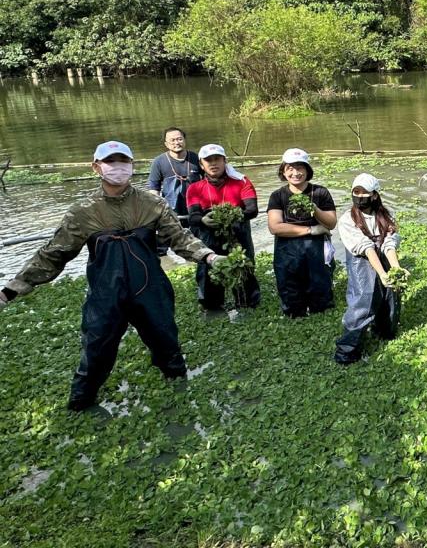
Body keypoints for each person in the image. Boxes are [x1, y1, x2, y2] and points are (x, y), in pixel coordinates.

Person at [0, 140, 223, 411]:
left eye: (123, 161)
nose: (118, 167)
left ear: (131, 166)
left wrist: (209, 257)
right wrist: (11, 289)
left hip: (150, 289)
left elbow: (180, 238)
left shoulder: (152, 203)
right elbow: (53, 255)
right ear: (96, 167)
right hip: (106, 294)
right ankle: (80, 404)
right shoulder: (83, 212)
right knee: (96, 349)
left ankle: (179, 389)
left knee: (166, 342)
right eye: (110, 162)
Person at [335, 174, 404, 365]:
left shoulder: (386, 215)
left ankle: (383, 331)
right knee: (363, 301)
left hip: (383, 257)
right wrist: (381, 273)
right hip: (362, 261)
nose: (359, 195)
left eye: (364, 192)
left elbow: (389, 243)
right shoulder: (348, 219)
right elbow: (366, 248)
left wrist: (395, 268)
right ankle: (347, 351)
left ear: (374, 194)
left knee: (389, 297)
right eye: (356, 191)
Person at [186, 144, 260, 310]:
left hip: (238, 232)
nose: (213, 163)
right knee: (208, 270)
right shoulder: (195, 188)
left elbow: (252, 210)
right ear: (201, 164)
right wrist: (204, 220)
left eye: (217, 159)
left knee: (242, 266)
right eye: (208, 160)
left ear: (225, 161)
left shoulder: (242, 182)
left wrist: (233, 216)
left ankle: (247, 304)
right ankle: (212, 307)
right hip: (209, 234)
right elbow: (193, 216)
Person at [266, 148, 338, 318]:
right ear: (283, 171)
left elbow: (331, 223)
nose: (295, 173)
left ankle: (320, 313)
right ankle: (295, 314)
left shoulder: (320, 192)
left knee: (320, 287)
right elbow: (275, 227)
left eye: (300, 168)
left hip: (316, 247)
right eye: (290, 168)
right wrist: (311, 230)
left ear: (307, 170)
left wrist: (315, 209)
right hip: (287, 247)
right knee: (290, 287)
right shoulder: (277, 196)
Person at [146, 127, 202, 255]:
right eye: (172, 140)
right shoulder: (159, 162)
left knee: (198, 243)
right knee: (161, 248)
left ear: (184, 140)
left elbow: (208, 181)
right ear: (166, 144)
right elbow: (153, 188)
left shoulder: (196, 158)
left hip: (194, 207)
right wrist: (156, 210)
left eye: (179, 139)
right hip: (171, 208)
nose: (176, 143)